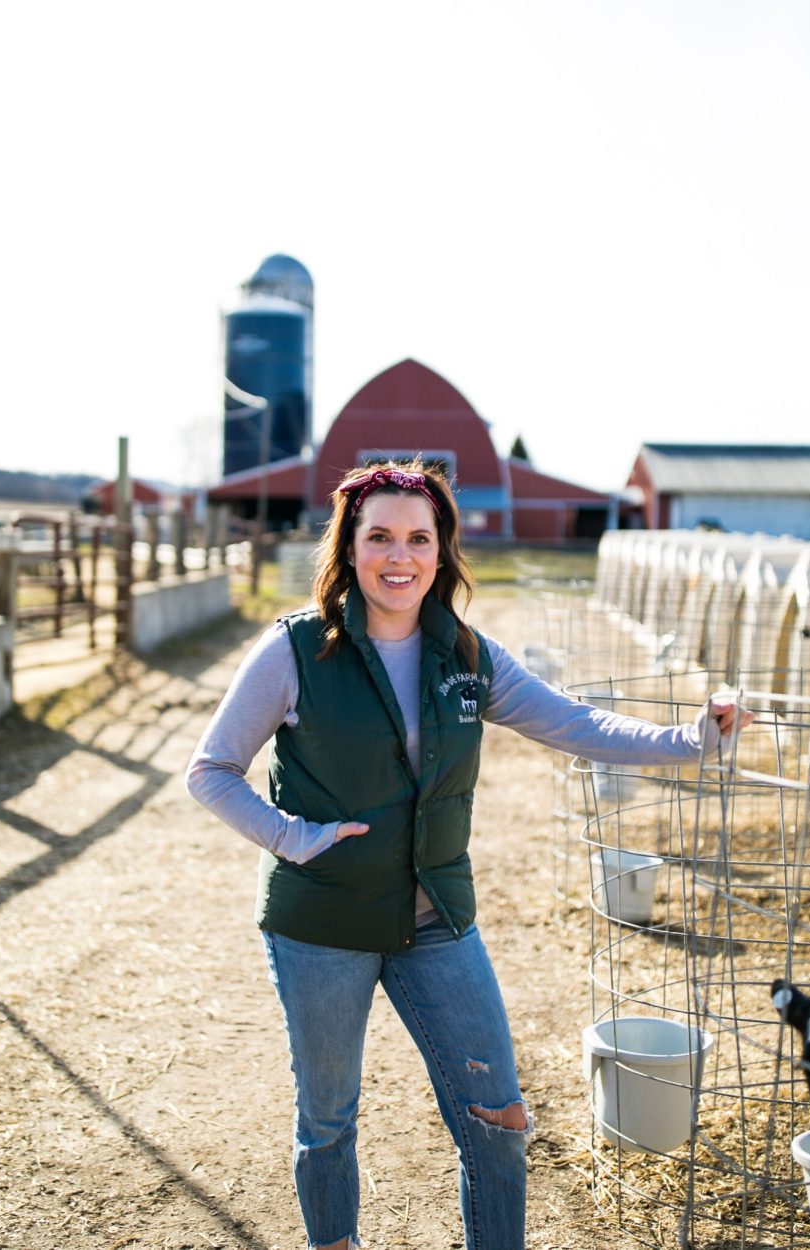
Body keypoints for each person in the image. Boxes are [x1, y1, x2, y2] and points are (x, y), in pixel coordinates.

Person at [186, 460, 752, 1250]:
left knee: (499, 1119)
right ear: (349, 548)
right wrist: (293, 838)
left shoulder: (467, 655)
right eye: (378, 536)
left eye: (419, 538)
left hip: (435, 914)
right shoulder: (295, 651)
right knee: (328, 1120)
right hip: (321, 923)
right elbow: (209, 773)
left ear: (443, 552)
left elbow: (577, 723)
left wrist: (694, 740)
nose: (399, 555)